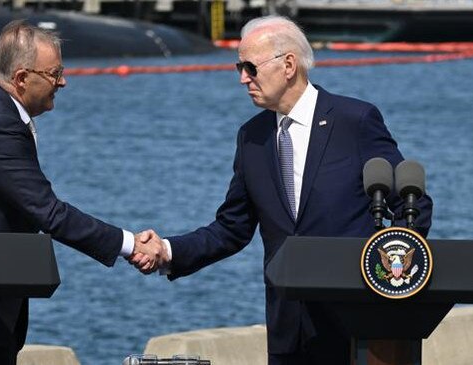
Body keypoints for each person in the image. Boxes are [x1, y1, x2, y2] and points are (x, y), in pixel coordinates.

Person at [132, 15, 433, 365]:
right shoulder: (252, 138)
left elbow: (413, 207)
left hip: (359, 327)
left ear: (288, 64)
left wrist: (391, 279)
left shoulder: (355, 121)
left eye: (250, 67)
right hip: (290, 331)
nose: (243, 78)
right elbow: (232, 228)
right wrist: (168, 251)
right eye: (238, 67)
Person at [0, 20, 167, 365]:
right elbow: (49, 213)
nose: (62, 81)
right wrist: (131, 245)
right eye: (54, 73)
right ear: (20, 79)